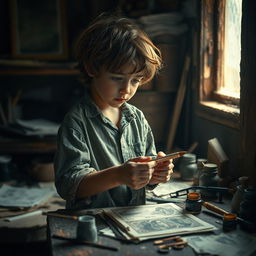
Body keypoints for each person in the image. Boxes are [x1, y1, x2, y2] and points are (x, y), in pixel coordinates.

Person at [54, 13, 174, 210]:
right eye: (117, 78)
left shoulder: (136, 118)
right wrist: (118, 175)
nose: (127, 89)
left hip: (133, 218)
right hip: (93, 222)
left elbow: (145, 177)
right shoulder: (76, 122)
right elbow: (68, 185)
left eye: (135, 80)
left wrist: (155, 174)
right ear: (92, 68)